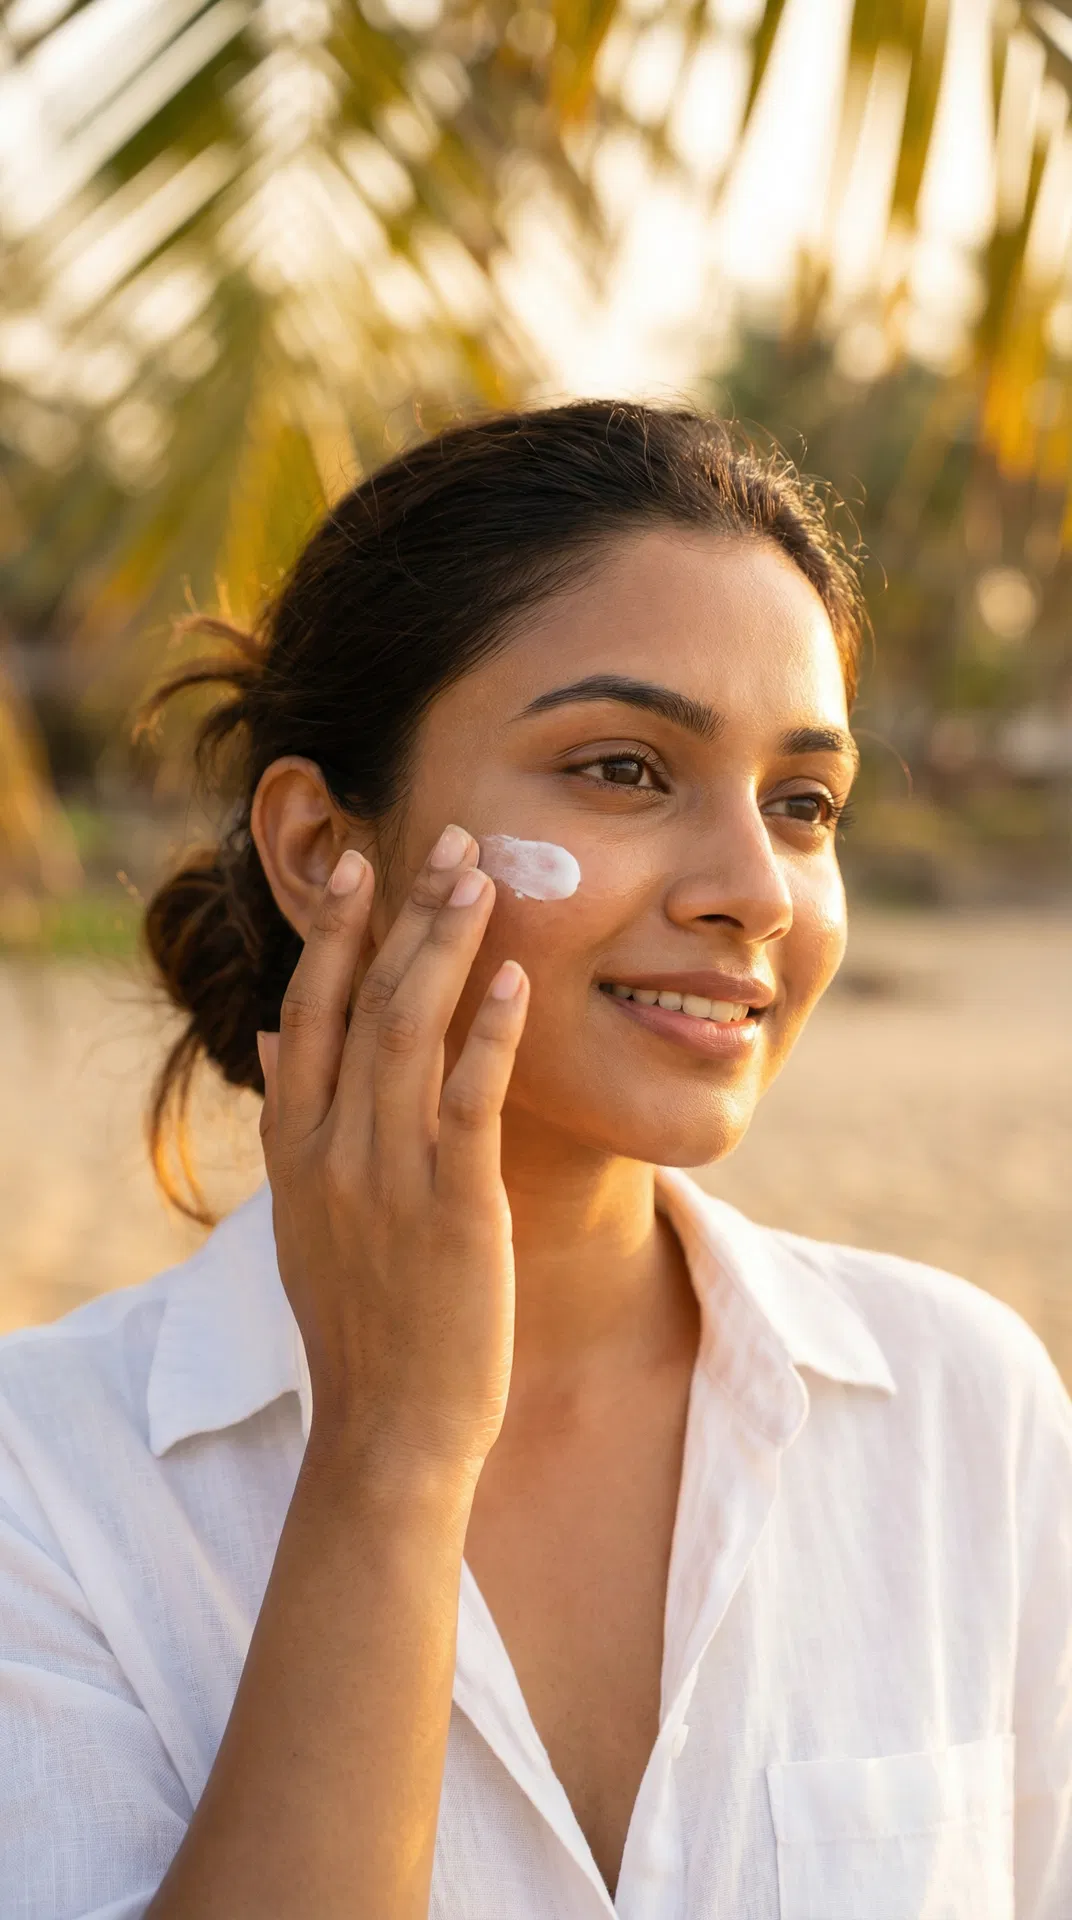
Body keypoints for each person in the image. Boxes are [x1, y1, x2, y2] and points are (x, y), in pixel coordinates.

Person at [1, 401, 1069, 1920]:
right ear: (318, 848)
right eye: (624, 768)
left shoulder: (965, 1409)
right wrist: (391, 1454)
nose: (757, 890)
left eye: (802, 803)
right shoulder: (43, 1481)